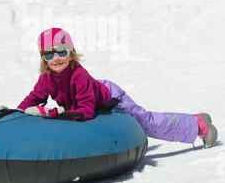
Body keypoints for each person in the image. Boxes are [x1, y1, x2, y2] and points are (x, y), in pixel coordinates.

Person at [18, 27, 218, 148]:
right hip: (89, 100)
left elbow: (86, 110)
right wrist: (18, 112)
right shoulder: (46, 78)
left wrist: (57, 113)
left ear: (71, 53)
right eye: (49, 55)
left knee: (146, 123)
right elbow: (34, 98)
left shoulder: (79, 75)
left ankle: (199, 124)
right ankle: (196, 121)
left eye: (61, 52)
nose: (56, 59)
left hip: (111, 96)